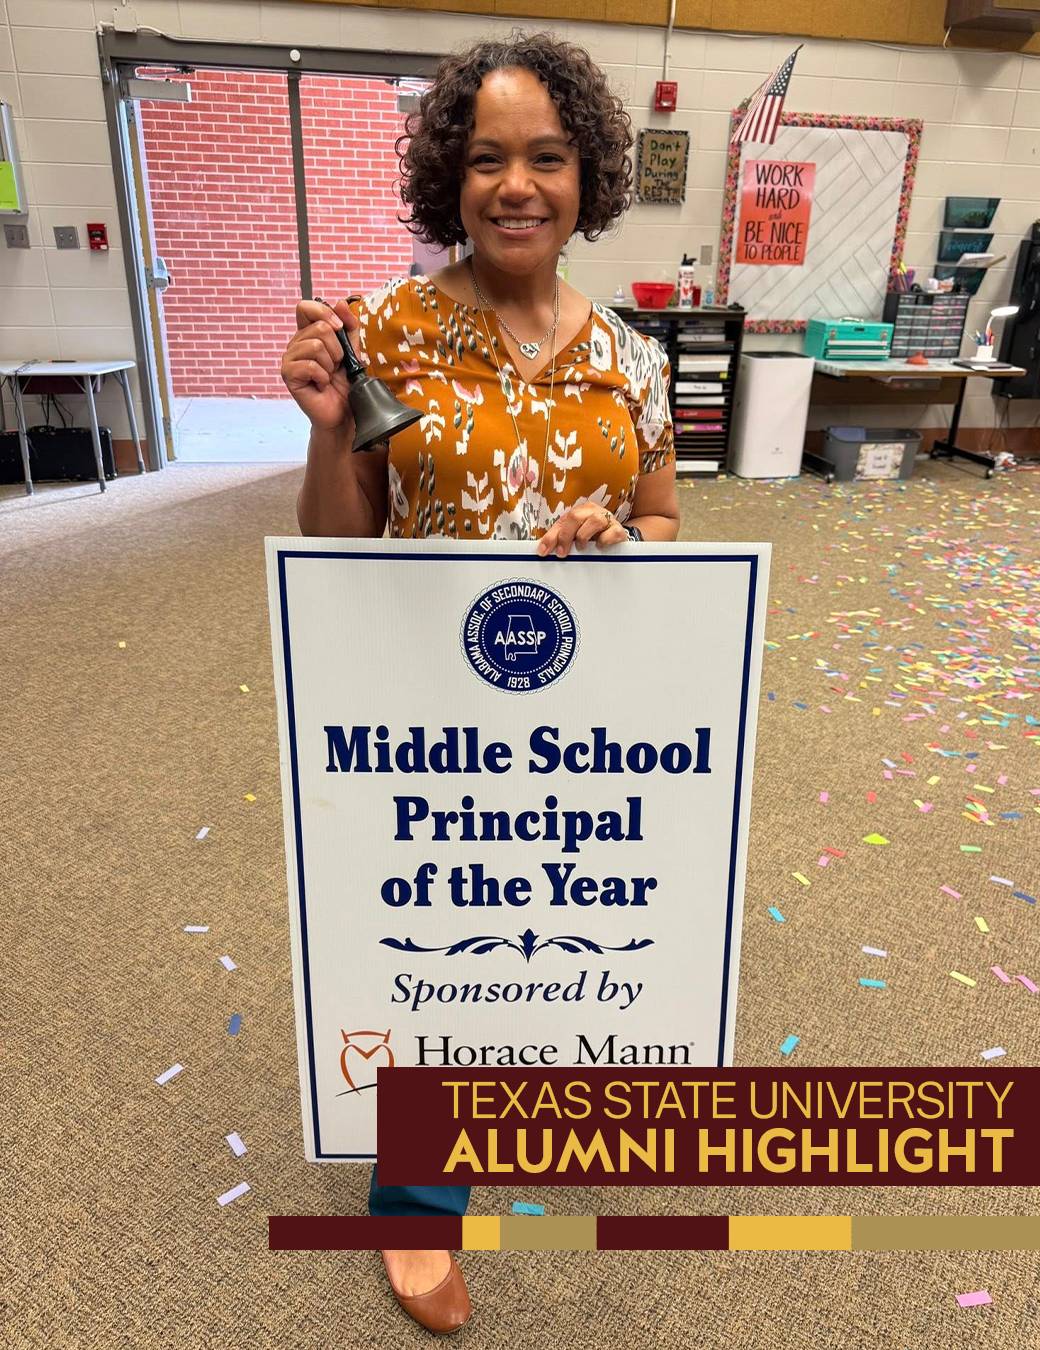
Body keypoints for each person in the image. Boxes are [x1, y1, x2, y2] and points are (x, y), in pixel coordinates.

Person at [280, 30, 679, 1335]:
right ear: (450, 177)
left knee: (550, 935)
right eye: (489, 157)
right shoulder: (386, 330)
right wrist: (335, 427)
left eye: (548, 158)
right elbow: (341, 545)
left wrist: (624, 538)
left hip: (579, 717)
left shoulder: (634, 357)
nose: (519, 184)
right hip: (424, 707)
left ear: (589, 178)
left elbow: (669, 526)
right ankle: (415, 1204)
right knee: (428, 950)